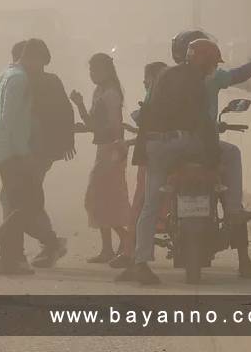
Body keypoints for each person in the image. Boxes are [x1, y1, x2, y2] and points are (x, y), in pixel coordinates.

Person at [117, 38, 223, 285]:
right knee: (228, 154)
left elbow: (146, 112)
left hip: (155, 146)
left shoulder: (163, 75)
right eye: (212, 63)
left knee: (150, 203)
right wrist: (213, 154)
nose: (213, 69)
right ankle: (230, 208)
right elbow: (203, 121)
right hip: (182, 142)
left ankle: (140, 262)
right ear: (205, 62)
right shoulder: (197, 82)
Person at [171, 31, 251, 278]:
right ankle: (243, 256)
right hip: (205, 146)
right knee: (232, 161)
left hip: (176, 146)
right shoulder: (212, 79)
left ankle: (135, 255)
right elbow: (239, 74)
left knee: (153, 196)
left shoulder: (171, 77)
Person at [0, 39, 69, 276]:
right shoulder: (20, 79)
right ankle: (17, 248)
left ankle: (14, 256)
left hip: (24, 149)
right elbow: (11, 118)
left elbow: (61, 112)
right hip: (20, 151)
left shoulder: (6, 76)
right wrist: (23, 152)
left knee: (18, 202)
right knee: (26, 203)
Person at [70, 53, 130, 264]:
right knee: (100, 200)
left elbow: (113, 126)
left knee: (99, 198)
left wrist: (116, 150)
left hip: (111, 150)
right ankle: (108, 248)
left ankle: (124, 238)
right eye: (90, 70)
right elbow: (92, 123)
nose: (92, 74)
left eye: (95, 70)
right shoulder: (99, 92)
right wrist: (78, 106)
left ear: (105, 71)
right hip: (103, 149)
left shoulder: (111, 94)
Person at [109, 60, 168, 269]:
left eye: (147, 79)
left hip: (152, 160)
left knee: (142, 206)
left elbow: (149, 133)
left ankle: (131, 254)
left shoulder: (155, 99)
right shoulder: (172, 98)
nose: (144, 83)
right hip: (168, 156)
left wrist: (129, 141)